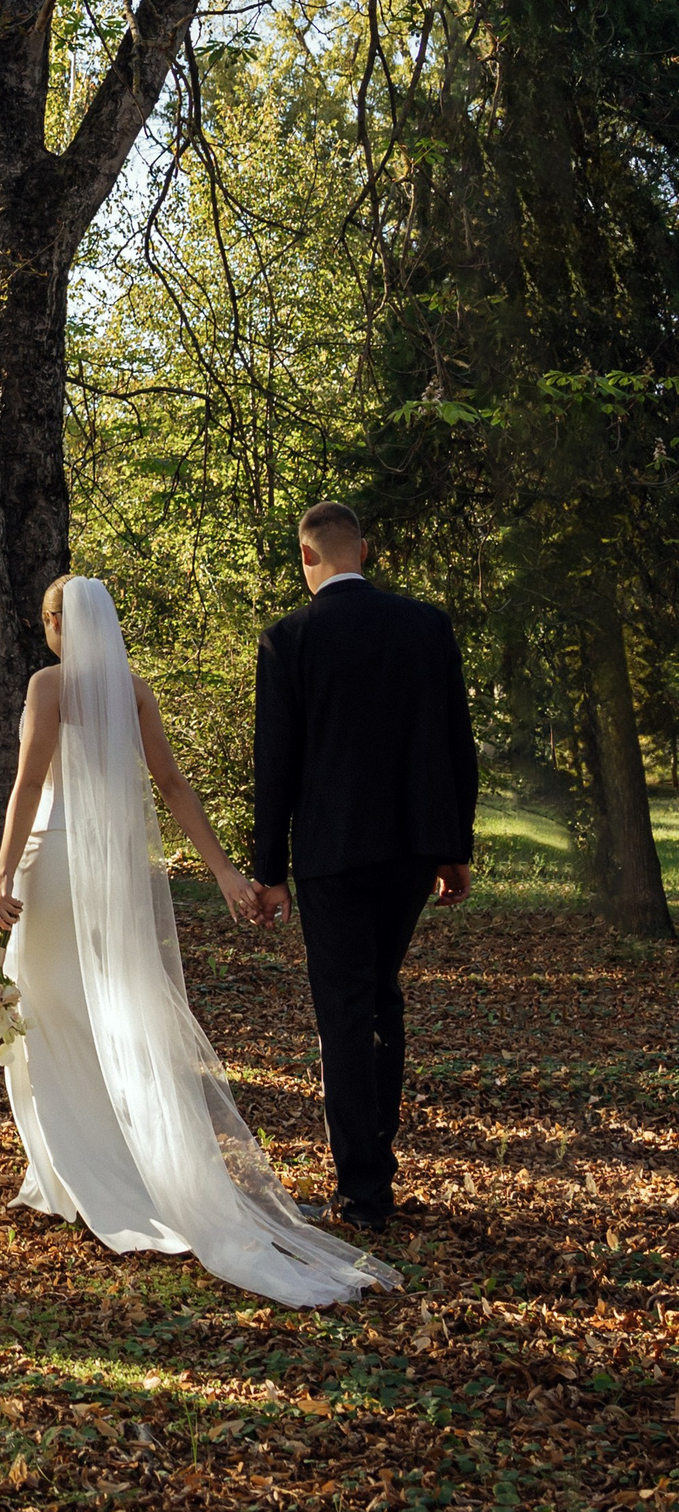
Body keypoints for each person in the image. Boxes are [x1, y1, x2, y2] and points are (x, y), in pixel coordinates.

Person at [0, 575, 398, 1307]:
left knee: (48, 1015)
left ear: (56, 623)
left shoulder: (47, 686)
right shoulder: (133, 689)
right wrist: (225, 873)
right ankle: (110, 1161)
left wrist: (0, 877)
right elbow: (173, 784)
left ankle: (75, 1173)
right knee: (108, 1010)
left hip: (51, 866)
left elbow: (26, 786)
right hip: (111, 871)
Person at [253, 502, 476, 1231]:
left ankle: (363, 1192)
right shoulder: (426, 625)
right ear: (365, 551)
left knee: (345, 1011)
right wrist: (455, 846)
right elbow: (455, 742)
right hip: (413, 846)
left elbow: (275, 764)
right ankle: (373, 1169)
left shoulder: (290, 638)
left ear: (306, 557)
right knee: (382, 995)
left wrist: (269, 869)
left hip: (332, 852)